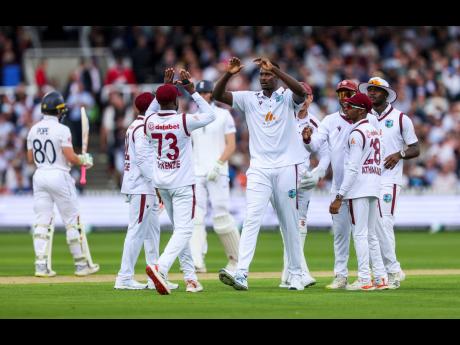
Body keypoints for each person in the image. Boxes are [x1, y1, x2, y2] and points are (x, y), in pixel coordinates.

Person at [213, 57, 307, 291]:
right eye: (262, 75)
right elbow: (217, 95)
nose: (264, 78)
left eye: (268, 74)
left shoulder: (286, 97)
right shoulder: (249, 98)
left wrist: (276, 68)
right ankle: (242, 273)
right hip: (259, 168)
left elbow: (301, 92)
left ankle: (296, 274)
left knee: (289, 224)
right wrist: (229, 74)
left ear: (276, 75)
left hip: (287, 166)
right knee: (251, 219)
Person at [143, 69, 216, 295]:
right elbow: (210, 115)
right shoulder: (183, 120)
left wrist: (163, 90)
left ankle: (190, 278)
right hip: (182, 184)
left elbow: (149, 111)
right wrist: (192, 91)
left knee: (179, 230)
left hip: (162, 184)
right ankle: (160, 267)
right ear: (175, 101)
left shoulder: (149, 122)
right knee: (185, 230)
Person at [302, 80, 380, 289]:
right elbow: (316, 145)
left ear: (356, 96)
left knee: (365, 233)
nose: (344, 97)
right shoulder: (329, 120)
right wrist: (308, 140)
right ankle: (341, 275)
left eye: (348, 93)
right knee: (340, 234)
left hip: (360, 185)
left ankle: (371, 276)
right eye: (340, 93)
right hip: (340, 184)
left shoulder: (369, 119)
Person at [26, 90, 99, 277]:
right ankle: (81, 265)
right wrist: (84, 160)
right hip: (59, 175)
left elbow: (29, 159)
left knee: (42, 223)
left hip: (40, 174)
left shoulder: (33, 129)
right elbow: (69, 157)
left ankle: (41, 265)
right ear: (59, 110)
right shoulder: (62, 130)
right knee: (72, 221)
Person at [359, 77, 420, 289]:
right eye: (370, 90)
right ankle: (384, 272)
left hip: (389, 180)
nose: (372, 93)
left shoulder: (401, 118)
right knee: (373, 227)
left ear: (386, 94)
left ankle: (393, 271)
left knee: (383, 223)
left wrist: (399, 154)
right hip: (369, 178)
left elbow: (415, 148)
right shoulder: (364, 118)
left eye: (376, 90)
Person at [114, 92, 178, 291]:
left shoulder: (136, 125)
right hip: (142, 186)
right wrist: (157, 182)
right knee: (136, 231)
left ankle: (155, 277)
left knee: (152, 232)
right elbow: (142, 160)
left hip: (142, 186)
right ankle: (124, 277)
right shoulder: (143, 128)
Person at [278, 82, 330, 289]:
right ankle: (300, 273)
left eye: (305, 95)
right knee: (289, 224)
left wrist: (318, 173)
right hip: (283, 173)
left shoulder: (315, 122)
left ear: (310, 98)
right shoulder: (283, 117)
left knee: (300, 225)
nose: (302, 99)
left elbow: (325, 153)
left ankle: (288, 275)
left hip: (304, 177)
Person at [189, 80, 240, 273]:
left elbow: (231, 145)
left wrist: (219, 164)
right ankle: (196, 261)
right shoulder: (192, 116)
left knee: (221, 215)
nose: (202, 96)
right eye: (199, 93)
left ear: (212, 94)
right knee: (196, 217)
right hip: (197, 172)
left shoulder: (223, 115)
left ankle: (237, 260)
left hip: (218, 172)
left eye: (206, 93)